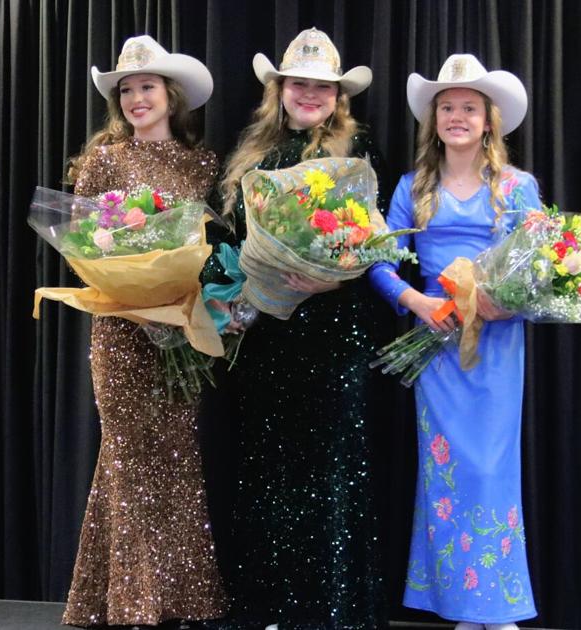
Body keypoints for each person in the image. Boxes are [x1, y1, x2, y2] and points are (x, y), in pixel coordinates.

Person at [212, 27, 387, 630]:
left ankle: (330, 611)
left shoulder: (358, 150)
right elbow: (229, 244)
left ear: (338, 97)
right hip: (263, 338)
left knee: (328, 472)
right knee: (266, 470)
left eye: (322, 87)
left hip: (332, 336)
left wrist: (333, 276)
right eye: (299, 84)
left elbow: (372, 241)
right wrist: (229, 294)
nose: (309, 94)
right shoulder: (251, 154)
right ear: (279, 90)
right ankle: (269, 608)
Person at [368, 54, 541, 630]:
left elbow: (540, 266)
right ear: (434, 119)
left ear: (488, 120)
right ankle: (463, 607)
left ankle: (496, 606)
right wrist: (415, 302)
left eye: (469, 107)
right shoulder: (412, 187)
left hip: (495, 346)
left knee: (491, 469)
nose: (457, 116)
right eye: (447, 107)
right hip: (436, 347)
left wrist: (502, 301)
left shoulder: (517, 187)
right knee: (445, 474)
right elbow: (381, 261)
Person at [61, 35, 226, 628]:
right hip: (120, 332)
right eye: (126, 90)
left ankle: (172, 599)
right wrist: (130, 284)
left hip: (179, 331)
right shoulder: (103, 160)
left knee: (174, 454)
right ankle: (135, 605)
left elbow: (208, 247)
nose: (135, 98)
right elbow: (78, 245)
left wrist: (177, 284)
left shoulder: (201, 163)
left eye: (145, 87)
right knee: (128, 457)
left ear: (170, 95)